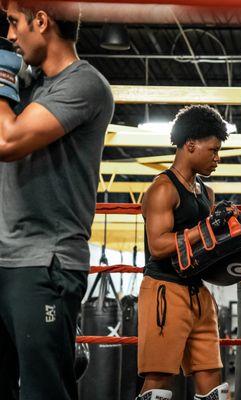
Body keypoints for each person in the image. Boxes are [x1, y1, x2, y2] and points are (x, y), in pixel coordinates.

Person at [0, 1, 114, 399]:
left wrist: (0, 78)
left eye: (14, 23)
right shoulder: (28, 85)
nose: (11, 35)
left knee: (43, 392)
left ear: (42, 20)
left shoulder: (84, 84)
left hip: (44, 263)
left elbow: (7, 141)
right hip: (6, 257)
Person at [138, 105, 230, 400]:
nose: (217, 158)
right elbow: (158, 245)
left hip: (199, 293)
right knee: (159, 379)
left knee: (213, 382)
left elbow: (211, 244)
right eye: (213, 150)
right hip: (165, 290)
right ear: (190, 144)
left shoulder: (207, 193)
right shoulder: (163, 189)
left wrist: (232, 230)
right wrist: (201, 230)